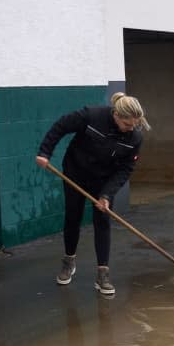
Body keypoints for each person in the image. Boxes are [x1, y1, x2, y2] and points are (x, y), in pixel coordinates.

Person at [35, 92, 150, 296]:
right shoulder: (91, 116)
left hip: (104, 180)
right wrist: (45, 152)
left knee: (102, 221)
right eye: (127, 124)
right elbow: (61, 126)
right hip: (75, 171)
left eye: (134, 124)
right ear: (115, 114)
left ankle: (102, 273)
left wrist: (106, 195)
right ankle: (68, 261)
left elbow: (126, 169)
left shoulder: (135, 137)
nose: (130, 128)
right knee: (73, 216)